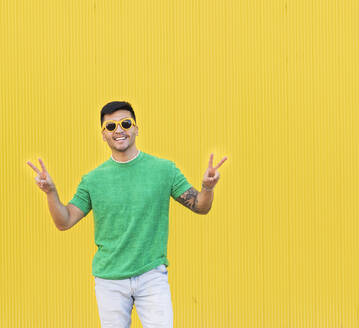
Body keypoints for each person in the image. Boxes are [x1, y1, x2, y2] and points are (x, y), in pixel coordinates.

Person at [27, 101, 227, 328]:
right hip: (109, 280)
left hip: (151, 275)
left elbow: (200, 206)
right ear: (103, 135)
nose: (119, 130)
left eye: (125, 123)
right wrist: (50, 192)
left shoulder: (164, 170)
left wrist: (208, 187)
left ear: (136, 128)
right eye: (110, 126)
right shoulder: (93, 180)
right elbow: (65, 221)